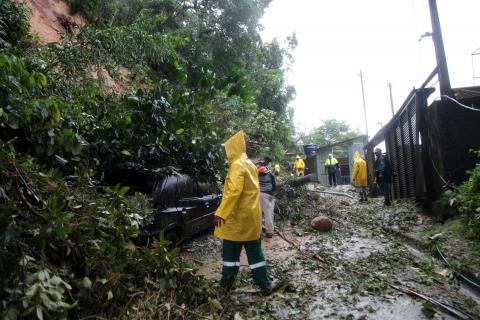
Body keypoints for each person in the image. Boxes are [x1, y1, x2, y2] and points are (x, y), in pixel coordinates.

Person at [214, 130, 272, 295]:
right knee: (256, 255)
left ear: (232, 148)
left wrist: (221, 213)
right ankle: (265, 285)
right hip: (251, 220)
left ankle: (225, 286)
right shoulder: (249, 164)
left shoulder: (237, 165)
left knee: (230, 257)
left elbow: (234, 192)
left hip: (236, 222)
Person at [257, 164, 276, 238]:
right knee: (269, 213)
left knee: (258, 214)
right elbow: (274, 185)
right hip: (268, 195)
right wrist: (272, 194)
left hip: (257, 195)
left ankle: (259, 232)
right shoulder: (270, 174)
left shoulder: (256, 174)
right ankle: (269, 232)